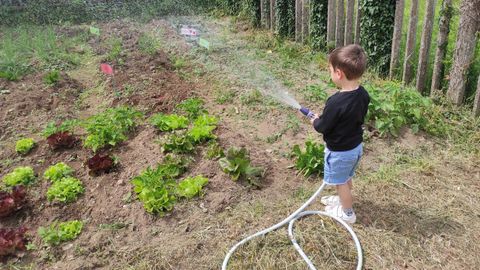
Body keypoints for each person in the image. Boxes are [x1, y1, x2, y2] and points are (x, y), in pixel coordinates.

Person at [311, 44, 370, 224]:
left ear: (339, 73)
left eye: (329, 70)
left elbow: (323, 127)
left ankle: (347, 213)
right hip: (355, 148)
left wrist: (315, 120)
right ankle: (342, 199)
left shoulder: (336, 102)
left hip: (340, 152)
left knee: (340, 182)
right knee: (346, 177)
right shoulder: (363, 94)